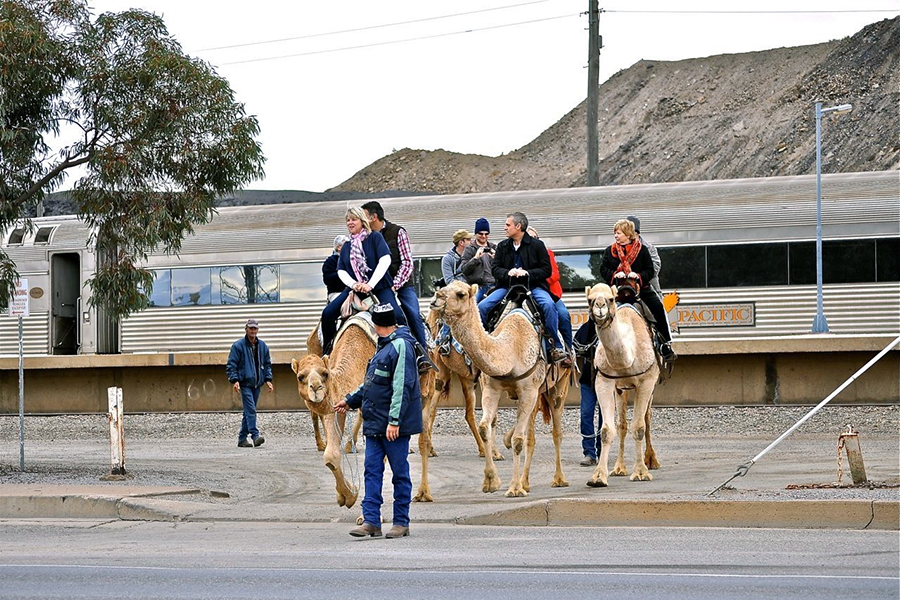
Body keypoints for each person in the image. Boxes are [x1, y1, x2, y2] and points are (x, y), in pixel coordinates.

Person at [334, 303, 423, 539]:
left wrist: (395, 422)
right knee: (371, 472)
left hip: (392, 427)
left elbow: (403, 385)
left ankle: (401, 522)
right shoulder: (383, 347)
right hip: (374, 424)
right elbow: (371, 383)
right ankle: (371, 521)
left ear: (377, 324)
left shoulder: (401, 346)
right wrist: (350, 400)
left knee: (399, 474)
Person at [477, 211, 567, 363]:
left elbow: (546, 270)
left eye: (508, 225)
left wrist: (527, 273)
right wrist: (508, 272)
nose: (505, 228)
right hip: (507, 287)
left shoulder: (537, 245)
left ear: (518, 226)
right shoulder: (502, 246)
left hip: (534, 286)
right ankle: (484, 345)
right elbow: (495, 269)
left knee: (549, 305)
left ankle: (556, 346)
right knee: (482, 307)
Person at [320, 207, 405, 355]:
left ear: (362, 221)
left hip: (379, 287)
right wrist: (354, 284)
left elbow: (385, 260)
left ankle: (411, 351)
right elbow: (341, 270)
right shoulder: (347, 246)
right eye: (348, 220)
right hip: (355, 290)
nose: (350, 223)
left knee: (397, 315)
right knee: (327, 314)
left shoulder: (375, 238)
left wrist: (370, 284)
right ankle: (327, 353)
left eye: (353, 219)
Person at [600, 218, 676, 359]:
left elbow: (651, 270)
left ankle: (665, 344)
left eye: (619, 233)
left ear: (628, 234)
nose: (616, 236)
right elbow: (603, 269)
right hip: (617, 288)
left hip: (640, 288)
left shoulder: (644, 250)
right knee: (598, 309)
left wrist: (638, 276)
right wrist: (616, 275)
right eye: (615, 233)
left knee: (658, 308)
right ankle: (588, 344)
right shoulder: (609, 251)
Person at [360, 201, 429, 355]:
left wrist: (395, 284)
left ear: (374, 217)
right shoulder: (364, 238)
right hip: (377, 287)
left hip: (401, 285)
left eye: (363, 216)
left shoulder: (397, 232)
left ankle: (421, 353)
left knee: (412, 313)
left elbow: (407, 263)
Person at [226, 318, 273, 448]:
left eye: (255, 328)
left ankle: (242, 438)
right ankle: (255, 435)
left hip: (257, 384)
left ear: (257, 330)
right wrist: (234, 380)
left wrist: (268, 380)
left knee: (248, 411)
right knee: (251, 410)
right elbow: (231, 365)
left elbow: (267, 364)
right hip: (245, 383)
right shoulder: (238, 346)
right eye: (250, 328)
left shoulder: (263, 346)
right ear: (246, 329)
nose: (253, 331)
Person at [526, 226, 572, 352]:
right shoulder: (521, 254)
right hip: (528, 293)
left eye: (534, 238)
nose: (532, 241)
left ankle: (568, 350)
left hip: (551, 294)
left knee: (563, 315)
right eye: (529, 238)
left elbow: (555, 274)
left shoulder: (547, 253)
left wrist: (539, 279)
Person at [574, 320, 601, 466]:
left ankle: (602, 451)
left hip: (607, 380)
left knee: (605, 417)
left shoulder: (613, 329)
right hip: (588, 380)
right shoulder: (586, 328)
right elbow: (576, 345)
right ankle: (589, 452)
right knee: (586, 414)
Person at [460, 217, 496, 302]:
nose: (484, 236)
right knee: (473, 307)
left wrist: (496, 258)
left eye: (486, 234)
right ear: (476, 233)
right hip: (478, 287)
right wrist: (476, 258)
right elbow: (464, 270)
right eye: (481, 234)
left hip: (494, 285)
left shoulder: (494, 247)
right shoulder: (469, 249)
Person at [323, 234, 349, 303]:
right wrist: (342, 273)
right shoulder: (330, 261)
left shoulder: (353, 259)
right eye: (346, 245)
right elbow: (327, 279)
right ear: (338, 247)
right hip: (336, 292)